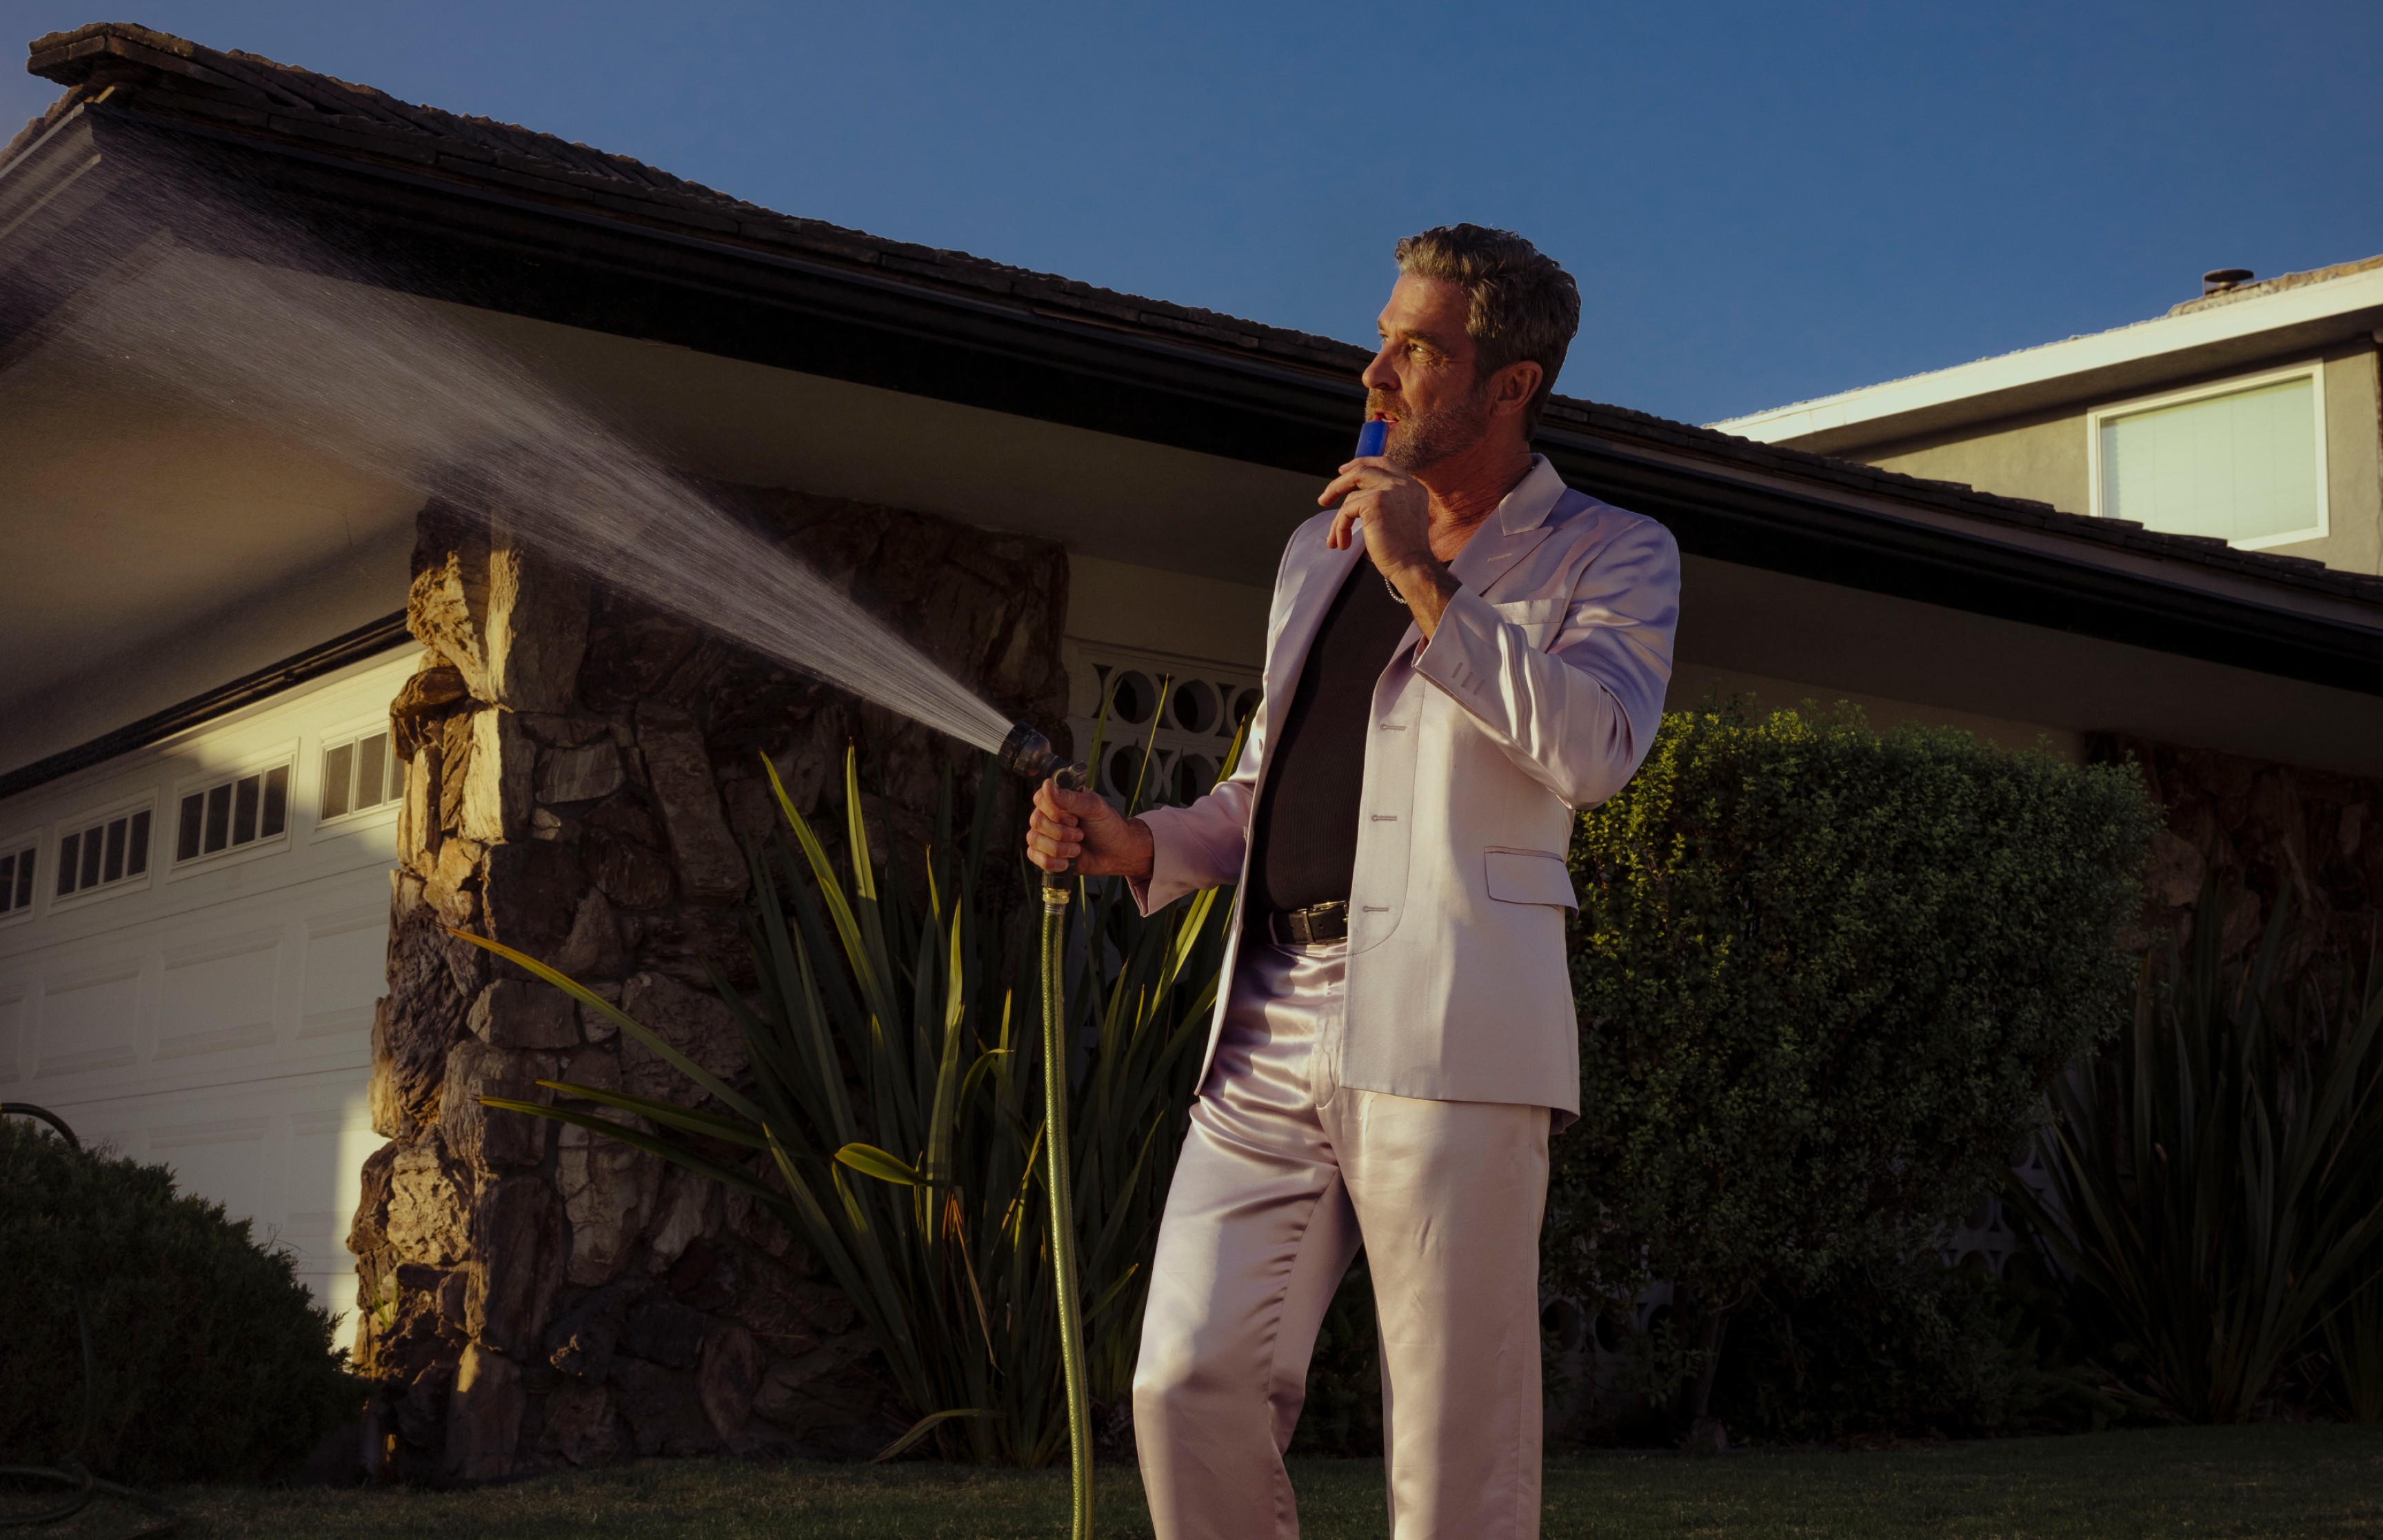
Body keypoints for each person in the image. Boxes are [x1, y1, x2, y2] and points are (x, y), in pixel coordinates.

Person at [1027, 224, 1680, 1539]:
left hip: (1451, 1025)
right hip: (1270, 1017)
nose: (1376, 371)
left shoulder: (1610, 552)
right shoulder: (1310, 555)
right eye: (1384, 336)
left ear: (1514, 386)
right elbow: (1265, 791)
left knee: (1453, 1447)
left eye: (1420, 348)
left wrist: (1423, 575)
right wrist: (1143, 842)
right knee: (1185, 1381)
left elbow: (1596, 748)